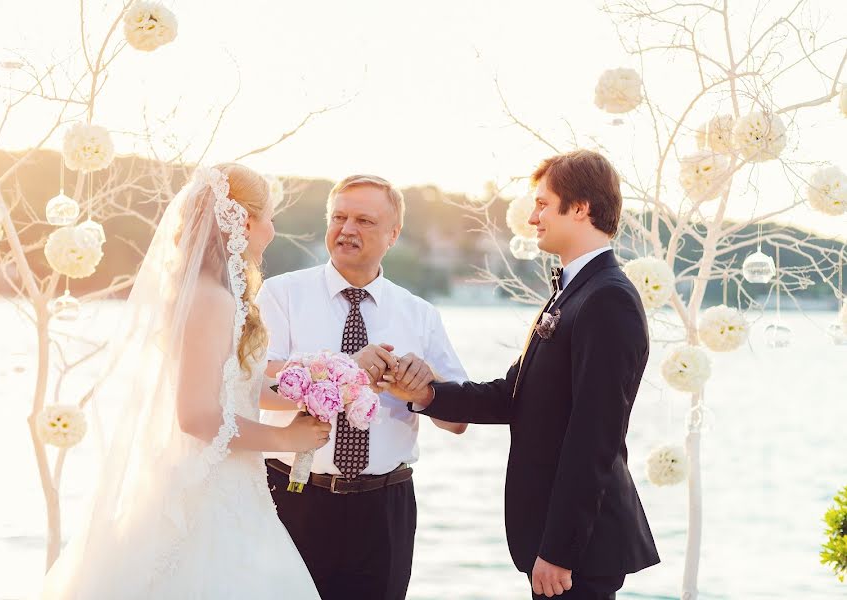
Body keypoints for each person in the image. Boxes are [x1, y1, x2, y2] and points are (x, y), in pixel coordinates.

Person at [41, 164, 326, 599]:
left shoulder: (215, 294)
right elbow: (196, 416)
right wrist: (284, 440)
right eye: (270, 216)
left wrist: (309, 393)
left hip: (235, 483)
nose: (272, 229)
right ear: (245, 222)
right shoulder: (210, 300)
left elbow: (235, 389)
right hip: (208, 492)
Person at [385, 150, 660, 599]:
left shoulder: (608, 299)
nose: (532, 217)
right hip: (553, 536)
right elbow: (514, 394)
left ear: (581, 208)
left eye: (543, 204)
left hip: (579, 549)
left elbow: (595, 436)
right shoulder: (574, 292)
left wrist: (560, 550)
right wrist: (426, 394)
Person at [257, 174, 468, 600]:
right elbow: (253, 383)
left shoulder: (420, 314)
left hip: (384, 507)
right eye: (339, 217)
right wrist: (343, 368)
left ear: (394, 234)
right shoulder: (281, 295)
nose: (347, 229)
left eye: (365, 221)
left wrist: (422, 390)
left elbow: (458, 419)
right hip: (290, 496)